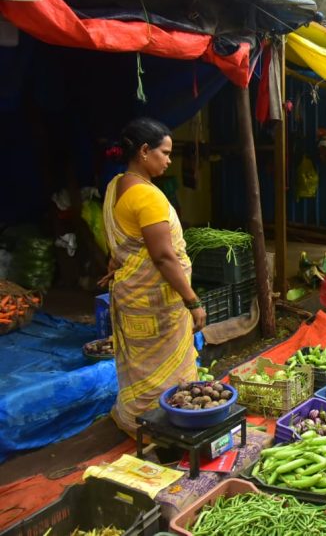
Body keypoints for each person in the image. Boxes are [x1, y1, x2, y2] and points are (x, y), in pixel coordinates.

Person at [100, 118, 205, 436]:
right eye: (165, 152)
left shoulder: (116, 186)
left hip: (133, 297)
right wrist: (193, 301)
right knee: (162, 370)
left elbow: (124, 243)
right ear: (145, 151)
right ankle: (163, 429)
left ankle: (135, 421)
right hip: (156, 303)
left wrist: (113, 265)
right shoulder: (147, 196)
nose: (169, 160)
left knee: (140, 367)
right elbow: (162, 256)